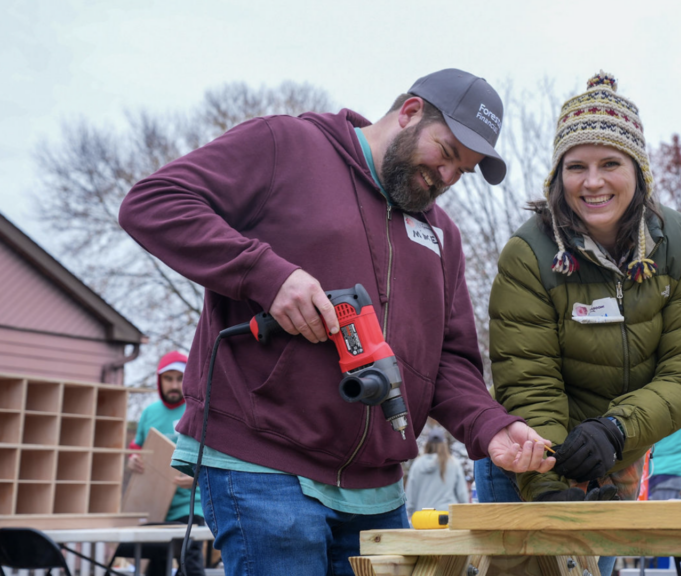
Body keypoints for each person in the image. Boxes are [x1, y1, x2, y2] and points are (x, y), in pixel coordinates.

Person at [118, 68, 555, 576]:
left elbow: (449, 364)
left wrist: (491, 427)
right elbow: (153, 203)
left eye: (466, 170)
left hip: (377, 490)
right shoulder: (288, 145)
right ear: (410, 113)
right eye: (448, 153)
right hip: (262, 466)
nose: (449, 178)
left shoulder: (443, 238)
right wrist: (266, 275)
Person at [475, 71, 681, 576]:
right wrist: (549, 489)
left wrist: (615, 430)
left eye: (610, 163)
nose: (592, 182)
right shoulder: (529, 253)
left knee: (593, 570)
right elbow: (527, 376)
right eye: (576, 166)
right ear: (556, 176)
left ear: (638, 169)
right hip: (530, 454)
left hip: (619, 450)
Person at [126, 351, 205, 576]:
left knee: (189, 561)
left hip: (190, 506)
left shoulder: (198, 411)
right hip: (155, 506)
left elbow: (212, 456)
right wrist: (132, 462)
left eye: (179, 378)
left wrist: (196, 478)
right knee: (156, 565)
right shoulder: (149, 412)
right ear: (159, 380)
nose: (174, 384)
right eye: (168, 378)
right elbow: (136, 450)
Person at [405, 427, 469, 517]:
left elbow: (410, 495)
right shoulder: (453, 464)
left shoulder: (417, 464)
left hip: (422, 518)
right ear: (444, 444)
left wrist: (411, 515)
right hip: (446, 517)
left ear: (427, 444)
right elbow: (462, 495)